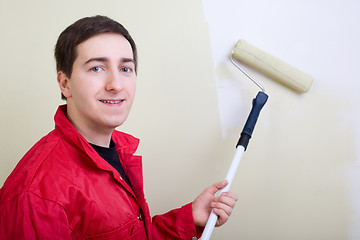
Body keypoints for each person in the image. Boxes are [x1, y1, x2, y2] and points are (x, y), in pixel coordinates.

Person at [0, 15, 238, 239]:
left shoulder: (118, 151)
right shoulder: (34, 196)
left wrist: (189, 218)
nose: (115, 85)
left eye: (125, 69)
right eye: (97, 68)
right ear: (65, 84)